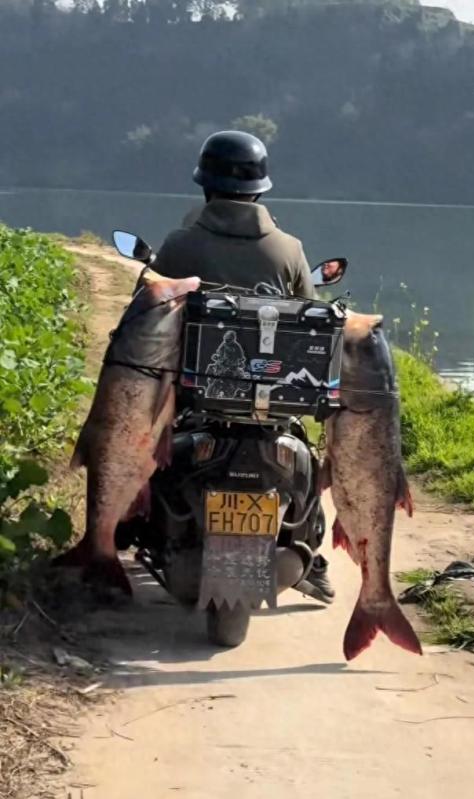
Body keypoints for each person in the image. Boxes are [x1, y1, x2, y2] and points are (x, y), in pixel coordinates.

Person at [154, 130, 334, 605]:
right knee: (309, 464)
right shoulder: (289, 249)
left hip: (196, 398)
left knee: (135, 443)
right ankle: (313, 559)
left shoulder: (179, 244)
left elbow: (147, 314)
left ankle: (112, 538)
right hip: (269, 404)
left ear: (206, 187)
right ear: (260, 190)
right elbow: (306, 322)